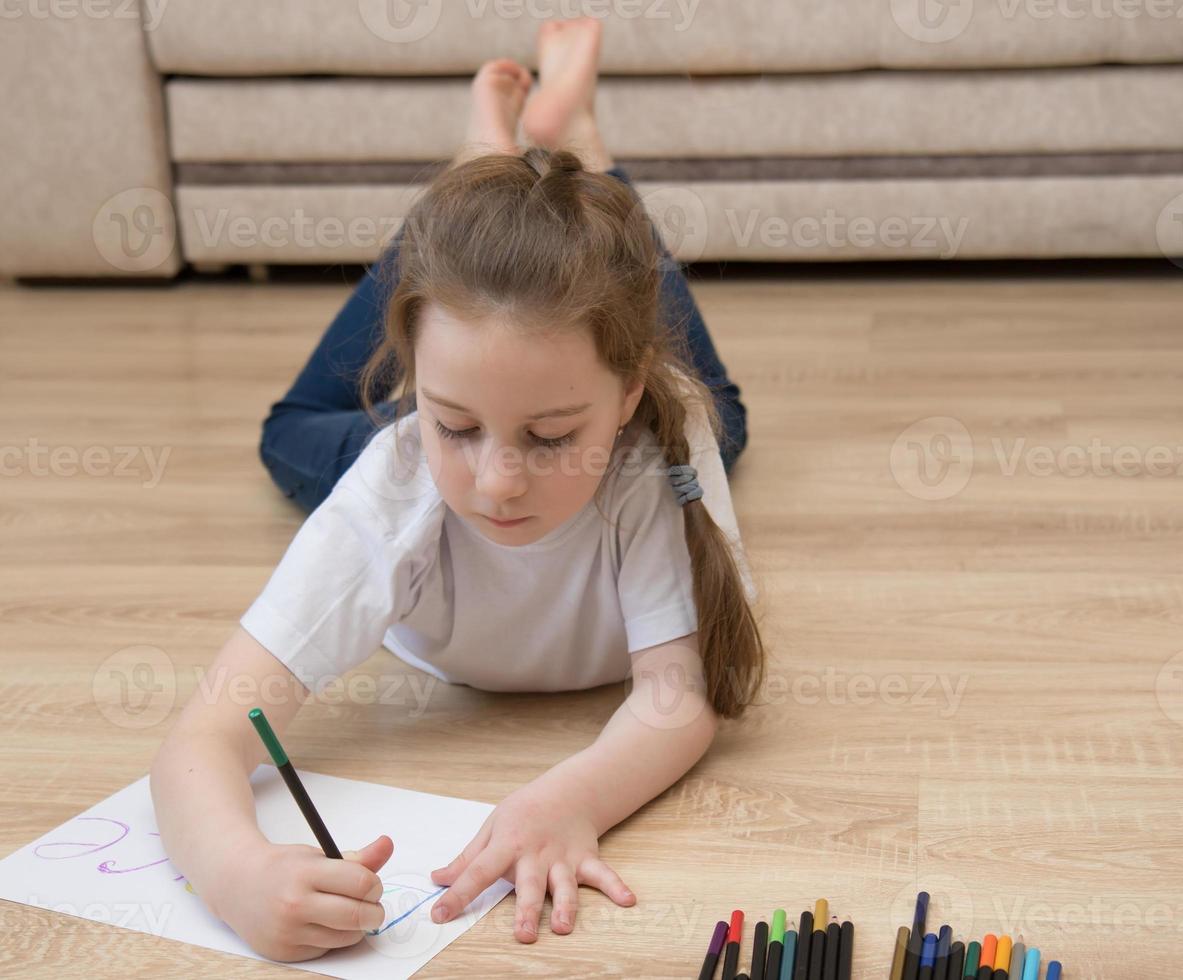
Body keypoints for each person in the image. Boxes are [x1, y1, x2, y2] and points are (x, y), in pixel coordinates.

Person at [149, 17, 765, 963]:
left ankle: (561, 160)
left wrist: (569, 800)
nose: (497, 484)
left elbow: (678, 699)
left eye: (552, 436)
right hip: (402, 419)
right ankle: (486, 175)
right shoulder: (396, 484)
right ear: (411, 386)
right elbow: (202, 737)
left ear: (628, 397)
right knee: (293, 435)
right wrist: (236, 874)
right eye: (458, 426)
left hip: (625, 393)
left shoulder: (657, 456)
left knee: (721, 409)